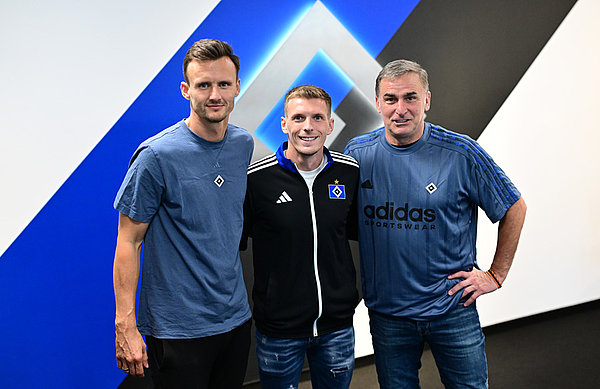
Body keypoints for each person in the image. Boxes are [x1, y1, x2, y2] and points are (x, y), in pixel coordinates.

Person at [344, 59, 527, 388]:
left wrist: (496, 275)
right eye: (391, 99)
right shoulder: (359, 153)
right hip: (388, 314)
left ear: (427, 100)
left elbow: (514, 206)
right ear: (378, 103)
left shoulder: (461, 153)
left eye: (411, 97)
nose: (401, 109)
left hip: (452, 309)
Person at [112, 39, 253, 388]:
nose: (214, 94)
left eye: (223, 84)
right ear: (186, 90)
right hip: (178, 331)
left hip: (235, 320)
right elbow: (129, 241)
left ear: (237, 86)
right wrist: (126, 326)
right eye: (203, 85)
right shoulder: (156, 156)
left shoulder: (242, 144)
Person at [242, 85, 360, 389]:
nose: (308, 127)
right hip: (279, 332)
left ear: (330, 124)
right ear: (284, 124)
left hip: (337, 327)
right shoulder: (256, 181)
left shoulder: (349, 173)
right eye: (298, 118)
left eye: (318, 117)